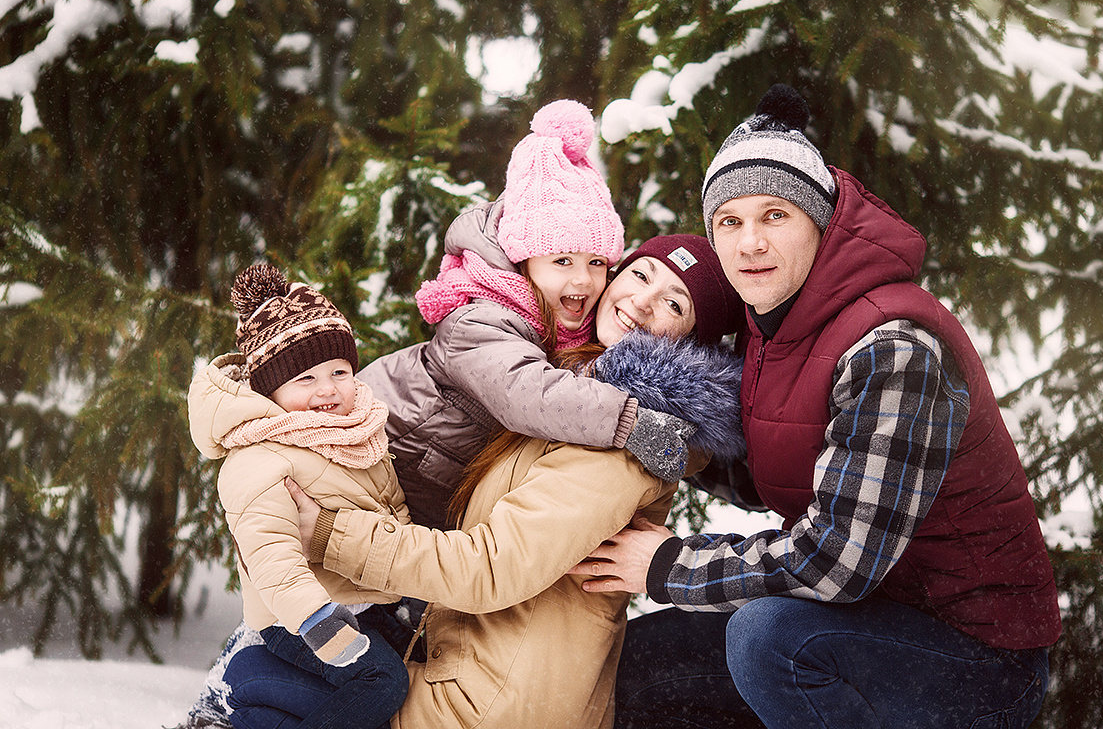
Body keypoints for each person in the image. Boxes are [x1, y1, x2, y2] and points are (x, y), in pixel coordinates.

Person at [571, 84, 1063, 729]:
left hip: (975, 660)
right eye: (731, 221)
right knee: (637, 667)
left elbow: (838, 560)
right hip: (865, 620)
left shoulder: (893, 348)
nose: (750, 243)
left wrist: (666, 565)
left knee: (767, 639)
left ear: (822, 222)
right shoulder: (775, 326)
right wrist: (672, 444)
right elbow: (787, 464)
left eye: (775, 215)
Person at [188, 233, 747, 729]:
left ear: (693, 340)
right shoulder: (563, 391)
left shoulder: (631, 433)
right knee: (266, 675)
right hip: (471, 670)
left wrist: (331, 533)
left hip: (485, 703)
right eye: (641, 274)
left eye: (674, 302)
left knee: (267, 682)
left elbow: (491, 566)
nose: (642, 302)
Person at [358, 98, 704, 529]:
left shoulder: (563, 320)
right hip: (374, 463)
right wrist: (627, 421)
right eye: (562, 262)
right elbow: (527, 391)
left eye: (596, 263)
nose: (582, 281)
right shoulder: (479, 317)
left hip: (423, 497)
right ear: (523, 260)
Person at [188, 263, 412, 729]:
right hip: (298, 618)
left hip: (364, 600)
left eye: (339, 371)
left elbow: (392, 507)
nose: (328, 390)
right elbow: (272, 558)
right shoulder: (261, 456)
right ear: (271, 390)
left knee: (428, 650)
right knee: (384, 681)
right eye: (305, 379)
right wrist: (318, 623)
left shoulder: (358, 431)